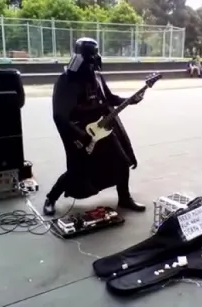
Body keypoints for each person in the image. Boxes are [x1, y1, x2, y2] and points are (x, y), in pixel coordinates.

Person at [43, 37, 146, 216]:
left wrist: (130, 100)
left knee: (122, 162)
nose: (91, 67)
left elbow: (109, 98)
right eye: (88, 61)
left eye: (93, 62)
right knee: (77, 170)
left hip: (103, 128)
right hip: (80, 133)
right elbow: (60, 115)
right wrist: (80, 135)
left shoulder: (97, 76)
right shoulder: (66, 81)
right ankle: (51, 198)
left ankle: (124, 197)